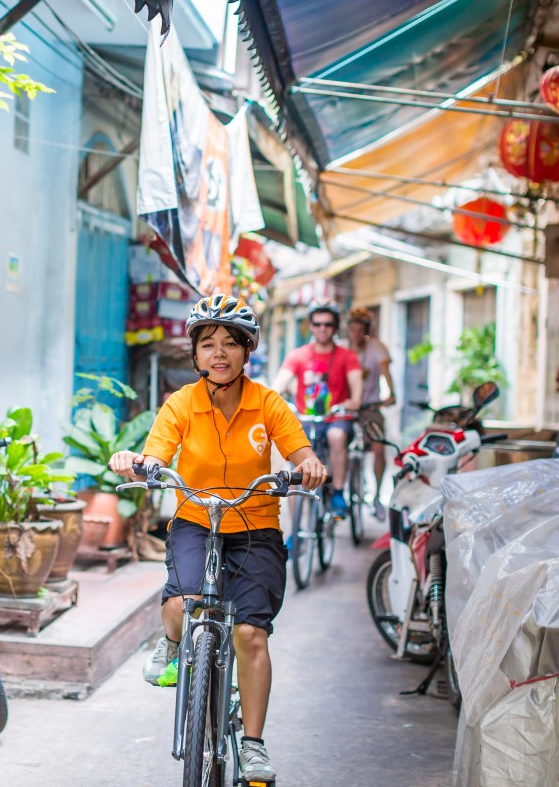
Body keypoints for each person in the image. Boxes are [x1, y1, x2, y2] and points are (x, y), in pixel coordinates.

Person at [108, 294, 329, 784]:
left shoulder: (267, 403)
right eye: (208, 344)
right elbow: (155, 456)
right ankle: (172, 647)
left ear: (248, 351)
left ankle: (252, 744)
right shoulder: (180, 404)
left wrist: (310, 465)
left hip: (256, 526)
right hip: (196, 520)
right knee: (178, 604)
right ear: (195, 354)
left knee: (250, 633)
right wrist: (135, 463)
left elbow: (301, 451)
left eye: (231, 342)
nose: (219, 353)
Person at [270, 300, 362, 519]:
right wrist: (277, 400)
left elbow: (356, 391)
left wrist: (352, 402)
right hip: (306, 420)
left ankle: (338, 493)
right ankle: (294, 530)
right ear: (311, 325)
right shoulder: (298, 355)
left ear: (335, 327)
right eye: (317, 324)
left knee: (336, 436)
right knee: (294, 468)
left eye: (328, 324)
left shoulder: (347, 356)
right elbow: (278, 386)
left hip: (336, 418)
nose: (322, 329)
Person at [345, 307, 396, 513]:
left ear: (367, 331)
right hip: (345, 408)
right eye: (352, 330)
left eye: (360, 330)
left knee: (378, 448)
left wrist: (390, 395)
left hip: (370, 407)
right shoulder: (341, 349)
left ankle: (376, 496)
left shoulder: (376, 348)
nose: (356, 335)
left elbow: (386, 374)